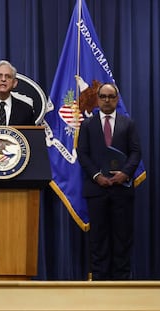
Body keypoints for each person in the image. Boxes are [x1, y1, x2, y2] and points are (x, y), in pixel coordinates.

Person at [77, 83, 142, 280]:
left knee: (122, 238)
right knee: (98, 238)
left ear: (117, 99)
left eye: (111, 97)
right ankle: (100, 280)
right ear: (97, 99)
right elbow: (83, 154)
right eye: (103, 96)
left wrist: (125, 173)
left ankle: (122, 281)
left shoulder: (127, 123)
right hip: (97, 190)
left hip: (121, 189)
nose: (106, 100)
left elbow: (135, 152)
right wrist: (97, 176)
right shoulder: (87, 125)